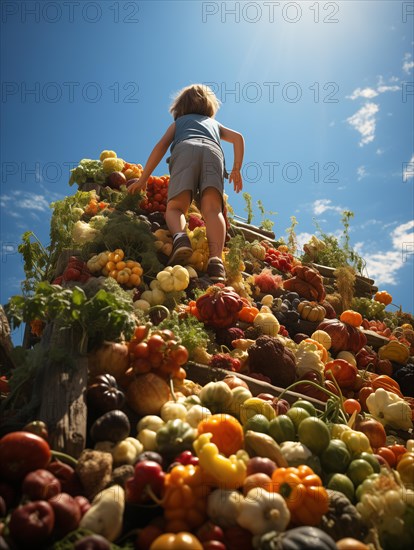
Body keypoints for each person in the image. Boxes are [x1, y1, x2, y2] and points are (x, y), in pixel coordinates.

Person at [128, 84, 244, 282]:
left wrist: (144, 178)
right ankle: (216, 261)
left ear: (180, 107)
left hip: (185, 149)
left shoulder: (179, 123)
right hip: (213, 153)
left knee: (176, 208)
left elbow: (161, 147)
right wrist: (236, 169)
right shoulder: (214, 124)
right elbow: (238, 138)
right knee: (213, 210)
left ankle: (181, 238)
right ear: (209, 106)